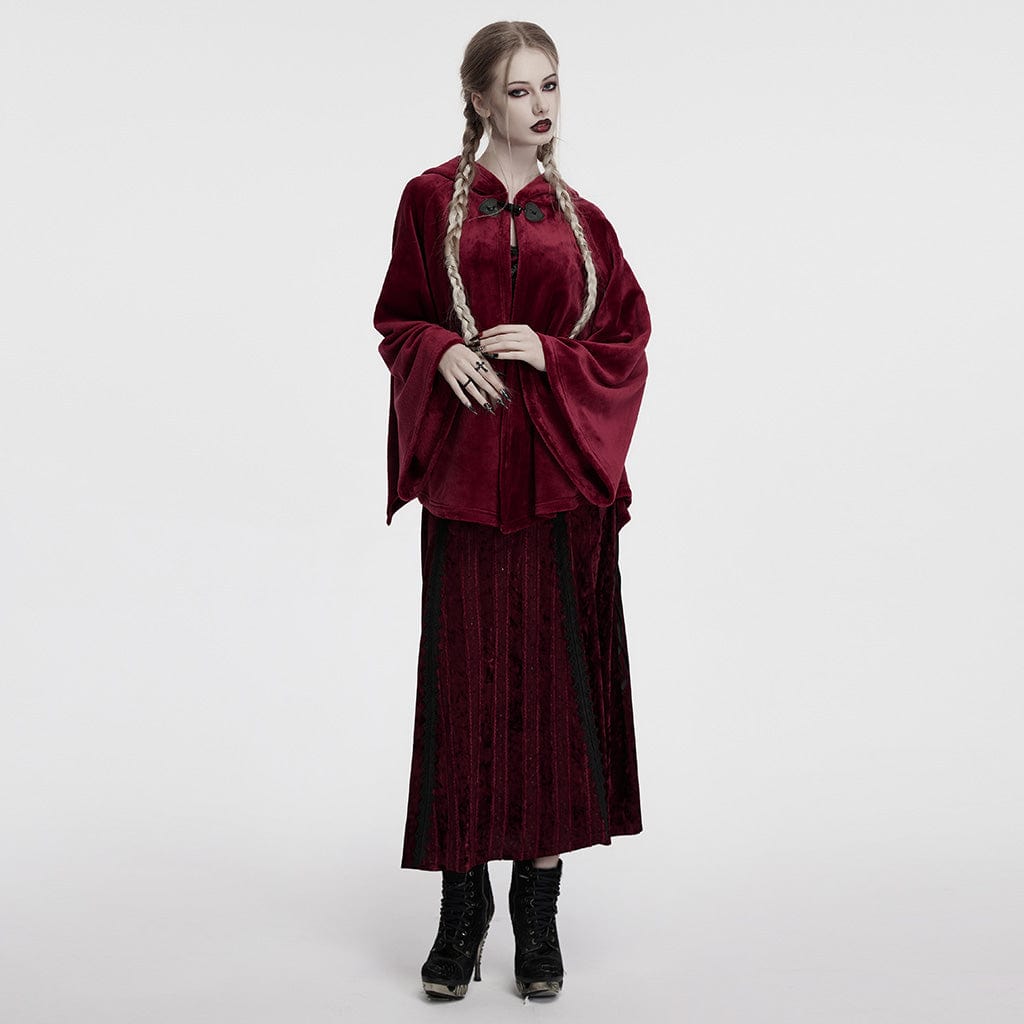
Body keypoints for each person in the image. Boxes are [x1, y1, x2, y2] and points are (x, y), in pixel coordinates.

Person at [372, 20, 651, 1002]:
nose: (541, 106)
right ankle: (462, 910)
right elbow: (396, 319)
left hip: (558, 491)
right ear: (480, 99)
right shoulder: (428, 201)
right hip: (467, 485)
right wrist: (439, 349)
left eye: (551, 86)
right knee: (464, 695)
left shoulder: (586, 222)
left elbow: (627, 342)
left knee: (552, 699)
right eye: (520, 89)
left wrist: (552, 353)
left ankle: (537, 911)